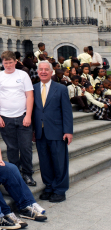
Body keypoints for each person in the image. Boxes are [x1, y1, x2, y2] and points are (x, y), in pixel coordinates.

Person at [0, 97, 47, 222]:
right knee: (10, 169)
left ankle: (29, 204)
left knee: (11, 168)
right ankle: (25, 205)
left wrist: (0, 160)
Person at [0, 50, 35, 187]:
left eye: (10, 62)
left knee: (26, 147)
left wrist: (28, 115)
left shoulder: (23, 75)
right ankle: (16, 174)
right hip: (5, 117)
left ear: (15, 62)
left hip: (22, 116)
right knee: (12, 148)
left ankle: (28, 173)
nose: (8, 65)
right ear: (2, 63)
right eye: (5, 62)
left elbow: (30, 96)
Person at [33, 60, 74, 202]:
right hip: (40, 132)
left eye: (46, 69)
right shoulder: (33, 88)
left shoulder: (61, 88)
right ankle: (49, 186)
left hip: (57, 131)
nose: (43, 72)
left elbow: (67, 111)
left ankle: (60, 189)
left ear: (51, 72)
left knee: (59, 162)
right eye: (40, 69)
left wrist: (68, 131)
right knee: (44, 162)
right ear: (37, 72)